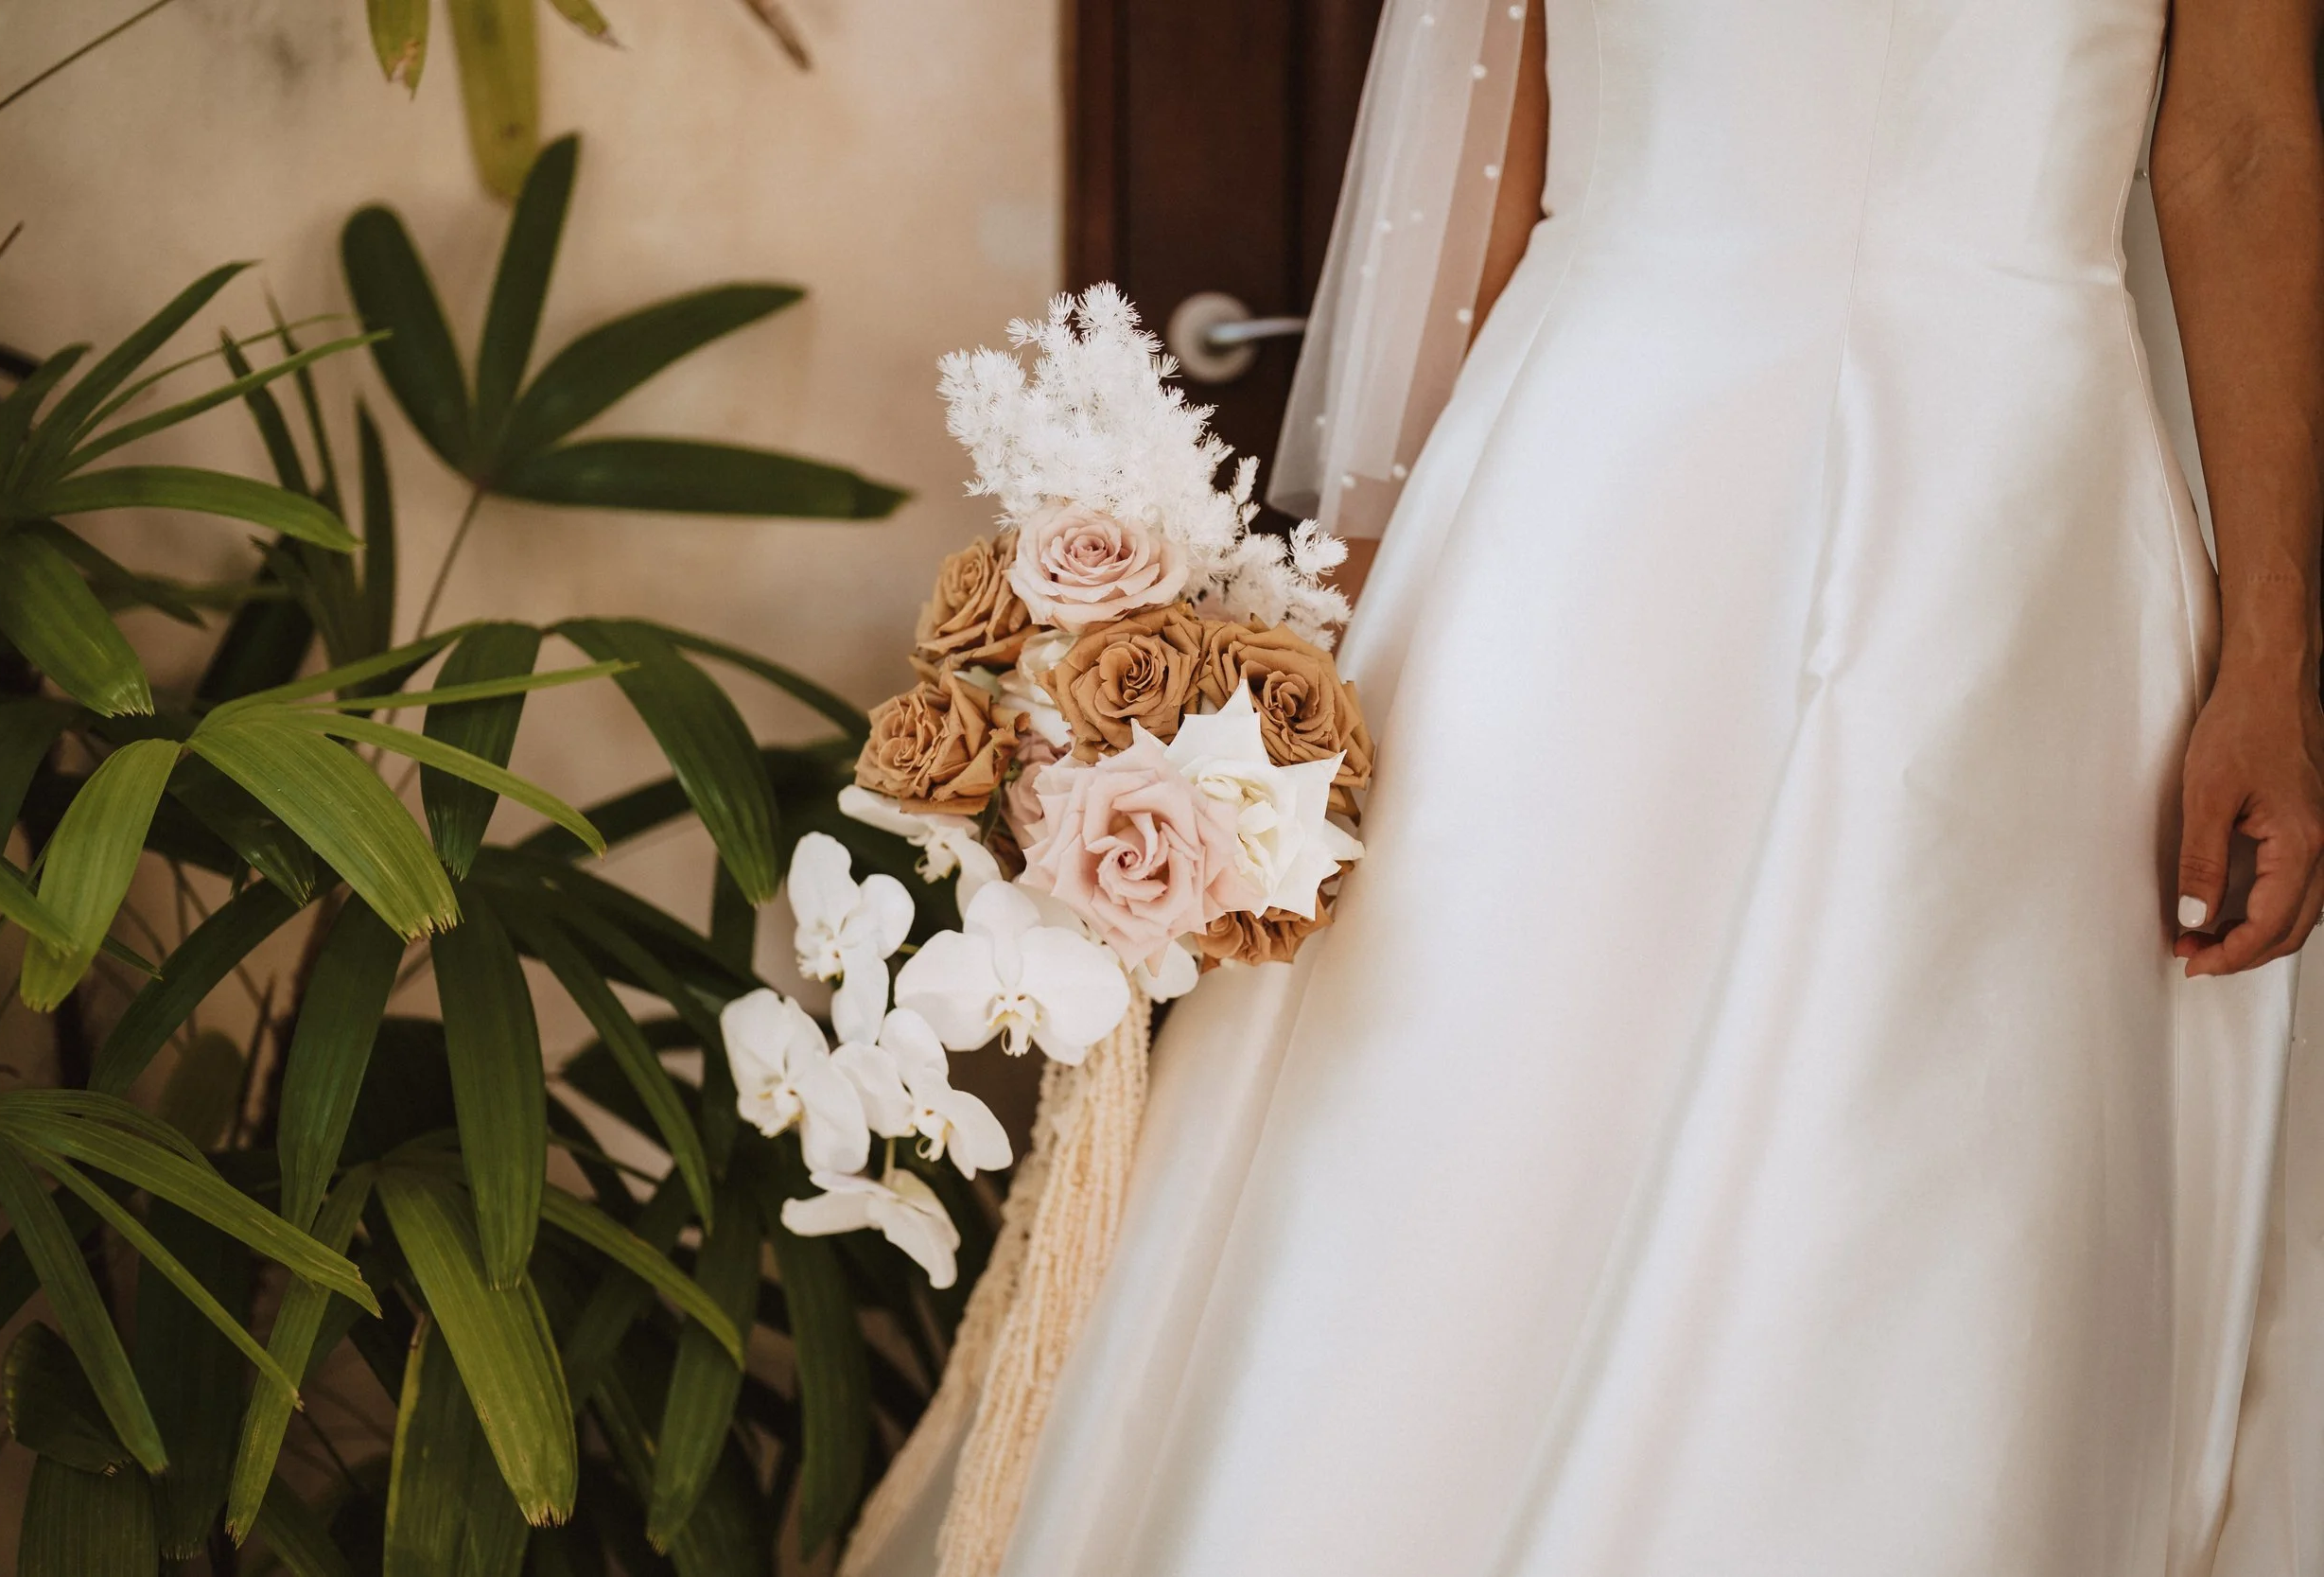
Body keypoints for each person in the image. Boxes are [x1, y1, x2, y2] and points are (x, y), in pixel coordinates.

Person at [859, 1, 2324, 1570]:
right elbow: (1485, 133)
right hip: (1592, 494)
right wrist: (1305, 657)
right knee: (1465, 1119)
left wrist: (2275, 662)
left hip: (2023, 541)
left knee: (1949, 1148)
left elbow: (2238, 142)